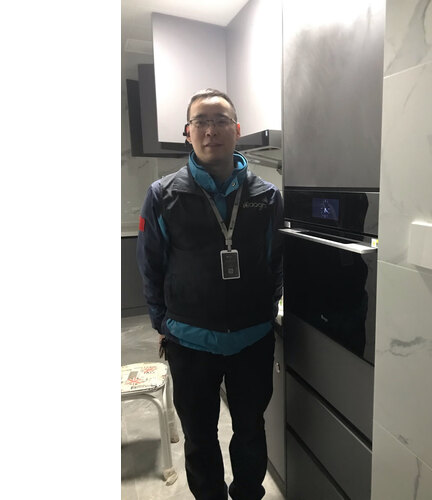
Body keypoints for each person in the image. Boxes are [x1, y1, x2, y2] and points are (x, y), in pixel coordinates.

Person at [136, 88, 283, 500]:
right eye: (200, 122)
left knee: (250, 428)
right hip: (189, 341)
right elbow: (150, 265)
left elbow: (276, 261)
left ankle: (248, 493)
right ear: (188, 132)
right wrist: (163, 322)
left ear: (237, 130)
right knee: (199, 436)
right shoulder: (163, 195)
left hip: (252, 339)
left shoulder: (267, 197)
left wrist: (265, 307)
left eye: (220, 121)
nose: (211, 130)